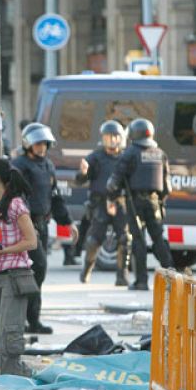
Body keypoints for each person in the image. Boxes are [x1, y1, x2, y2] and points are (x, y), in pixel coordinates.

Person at [12, 123, 76, 334]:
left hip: (42, 224)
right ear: (28, 144)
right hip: (25, 226)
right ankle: (21, 318)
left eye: (44, 144)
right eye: (38, 144)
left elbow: (55, 196)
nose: (41, 148)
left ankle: (33, 319)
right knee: (33, 268)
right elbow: (16, 196)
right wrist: (24, 221)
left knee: (38, 272)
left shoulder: (48, 165)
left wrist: (67, 222)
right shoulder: (19, 165)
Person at [0, 158, 38, 377]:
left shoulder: (15, 205)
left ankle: (16, 378)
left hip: (15, 274)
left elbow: (31, 241)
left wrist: (0, 251)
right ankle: (11, 376)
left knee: (8, 334)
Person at [106, 118, 175, 291]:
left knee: (138, 241)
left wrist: (113, 197)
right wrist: (160, 201)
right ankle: (172, 278)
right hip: (154, 202)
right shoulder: (160, 153)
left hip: (134, 201)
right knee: (159, 239)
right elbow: (167, 187)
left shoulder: (130, 153)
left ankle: (141, 281)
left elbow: (113, 183)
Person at [75, 120, 130, 286]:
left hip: (120, 202)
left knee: (125, 239)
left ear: (121, 138)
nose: (112, 141)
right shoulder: (96, 157)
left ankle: (122, 275)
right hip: (100, 202)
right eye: (108, 137)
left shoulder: (126, 156)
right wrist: (83, 172)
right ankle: (86, 269)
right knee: (94, 240)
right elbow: (80, 181)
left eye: (115, 137)